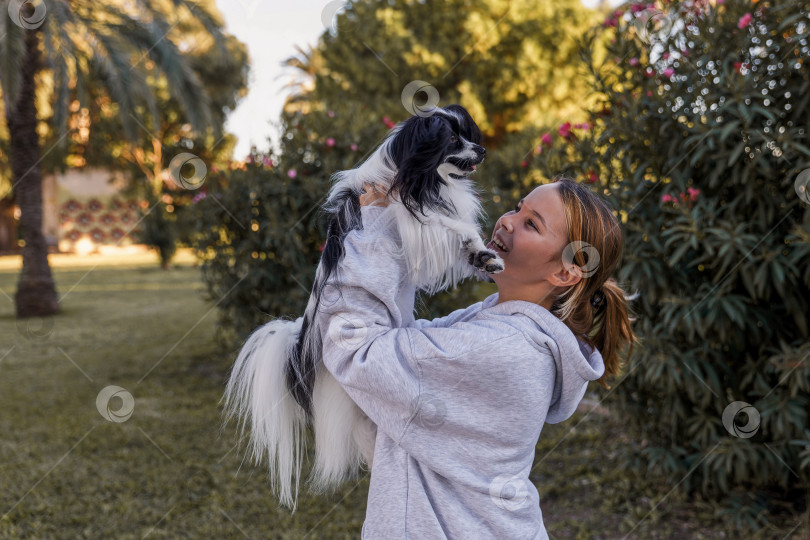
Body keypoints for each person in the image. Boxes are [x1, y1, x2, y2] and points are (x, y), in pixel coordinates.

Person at [314, 177, 639, 539]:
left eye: (532, 224)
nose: (508, 220)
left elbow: (357, 351)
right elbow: (399, 342)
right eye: (518, 207)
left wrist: (376, 224)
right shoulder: (500, 323)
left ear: (564, 272)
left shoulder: (504, 348)